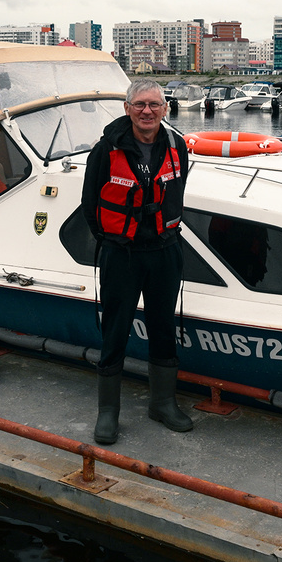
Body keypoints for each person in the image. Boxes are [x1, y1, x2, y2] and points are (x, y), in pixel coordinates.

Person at [81, 78, 192, 445]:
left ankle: (163, 403)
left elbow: (178, 192)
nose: (147, 111)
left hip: (164, 251)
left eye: (154, 105)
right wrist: (114, 240)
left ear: (165, 109)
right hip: (121, 254)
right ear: (127, 109)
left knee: (164, 328)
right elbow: (90, 206)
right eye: (140, 105)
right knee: (115, 331)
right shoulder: (105, 150)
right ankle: (108, 412)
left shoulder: (177, 146)